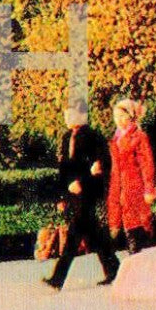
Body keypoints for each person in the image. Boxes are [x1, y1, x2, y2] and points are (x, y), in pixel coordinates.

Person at [42, 105, 120, 290]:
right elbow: (63, 169)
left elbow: (101, 167)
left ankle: (57, 279)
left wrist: (83, 183)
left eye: (71, 114)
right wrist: (62, 195)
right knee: (94, 233)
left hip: (89, 192)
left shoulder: (94, 137)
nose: (67, 118)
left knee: (74, 233)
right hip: (73, 193)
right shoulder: (66, 138)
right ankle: (114, 269)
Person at [107, 97, 156, 253]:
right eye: (117, 117)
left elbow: (146, 163)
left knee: (136, 225)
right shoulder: (115, 138)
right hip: (119, 187)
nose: (120, 120)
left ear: (131, 116)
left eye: (123, 116)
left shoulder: (139, 136)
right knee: (123, 224)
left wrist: (149, 188)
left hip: (134, 187)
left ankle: (136, 261)